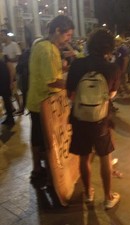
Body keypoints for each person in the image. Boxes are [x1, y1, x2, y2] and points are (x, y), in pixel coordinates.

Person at [66, 28, 121, 209]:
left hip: (80, 118)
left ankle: (88, 192)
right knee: (105, 156)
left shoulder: (77, 65)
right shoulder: (111, 68)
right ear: (109, 48)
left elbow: (71, 95)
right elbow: (111, 95)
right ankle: (108, 197)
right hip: (101, 119)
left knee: (84, 156)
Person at [26, 15, 74, 182]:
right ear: (57, 31)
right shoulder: (48, 49)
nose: (68, 39)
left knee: (38, 136)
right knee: (43, 138)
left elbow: (49, 72)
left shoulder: (41, 45)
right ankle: (40, 170)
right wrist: (72, 84)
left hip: (37, 101)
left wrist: (62, 67)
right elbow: (52, 80)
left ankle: (38, 168)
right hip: (43, 103)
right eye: (67, 35)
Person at [0, 30, 22, 114]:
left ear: (7, 36)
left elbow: (18, 57)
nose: (1, 37)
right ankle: (11, 107)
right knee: (7, 90)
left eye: (2, 35)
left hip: (14, 69)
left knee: (14, 90)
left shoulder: (14, 45)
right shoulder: (3, 47)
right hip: (5, 72)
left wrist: (9, 59)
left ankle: (20, 107)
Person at [0, 59, 15, 125]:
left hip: (4, 85)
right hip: (4, 84)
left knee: (7, 102)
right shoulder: (2, 61)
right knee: (6, 102)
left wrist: (11, 83)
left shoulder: (3, 61)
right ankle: (9, 118)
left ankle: (11, 119)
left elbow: (10, 72)